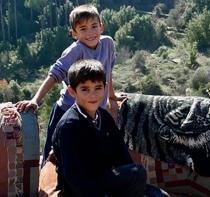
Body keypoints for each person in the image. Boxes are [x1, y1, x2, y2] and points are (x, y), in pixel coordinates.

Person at [15, 4, 125, 166]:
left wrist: (111, 96)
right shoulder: (75, 51)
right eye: (83, 29)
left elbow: (107, 72)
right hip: (66, 111)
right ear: (74, 33)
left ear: (101, 27)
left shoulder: (107, 44)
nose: (90, 33)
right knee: (53, 156)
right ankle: (44, 187)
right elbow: (54, 75)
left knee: (87, 157)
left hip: (94, 113)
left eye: (94, 26)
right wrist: (35, 100)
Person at [52, 59, 169, 196]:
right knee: (137, 172)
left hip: (106, 180)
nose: (93, 95)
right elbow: (74, 176)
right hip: (81, 190)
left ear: (105, 87)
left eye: (98, 88)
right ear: (72, 91)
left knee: (159, 194)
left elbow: (121, 154)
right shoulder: (69, 126)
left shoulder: (103, 116)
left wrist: (133, 184)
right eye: (85, 89)